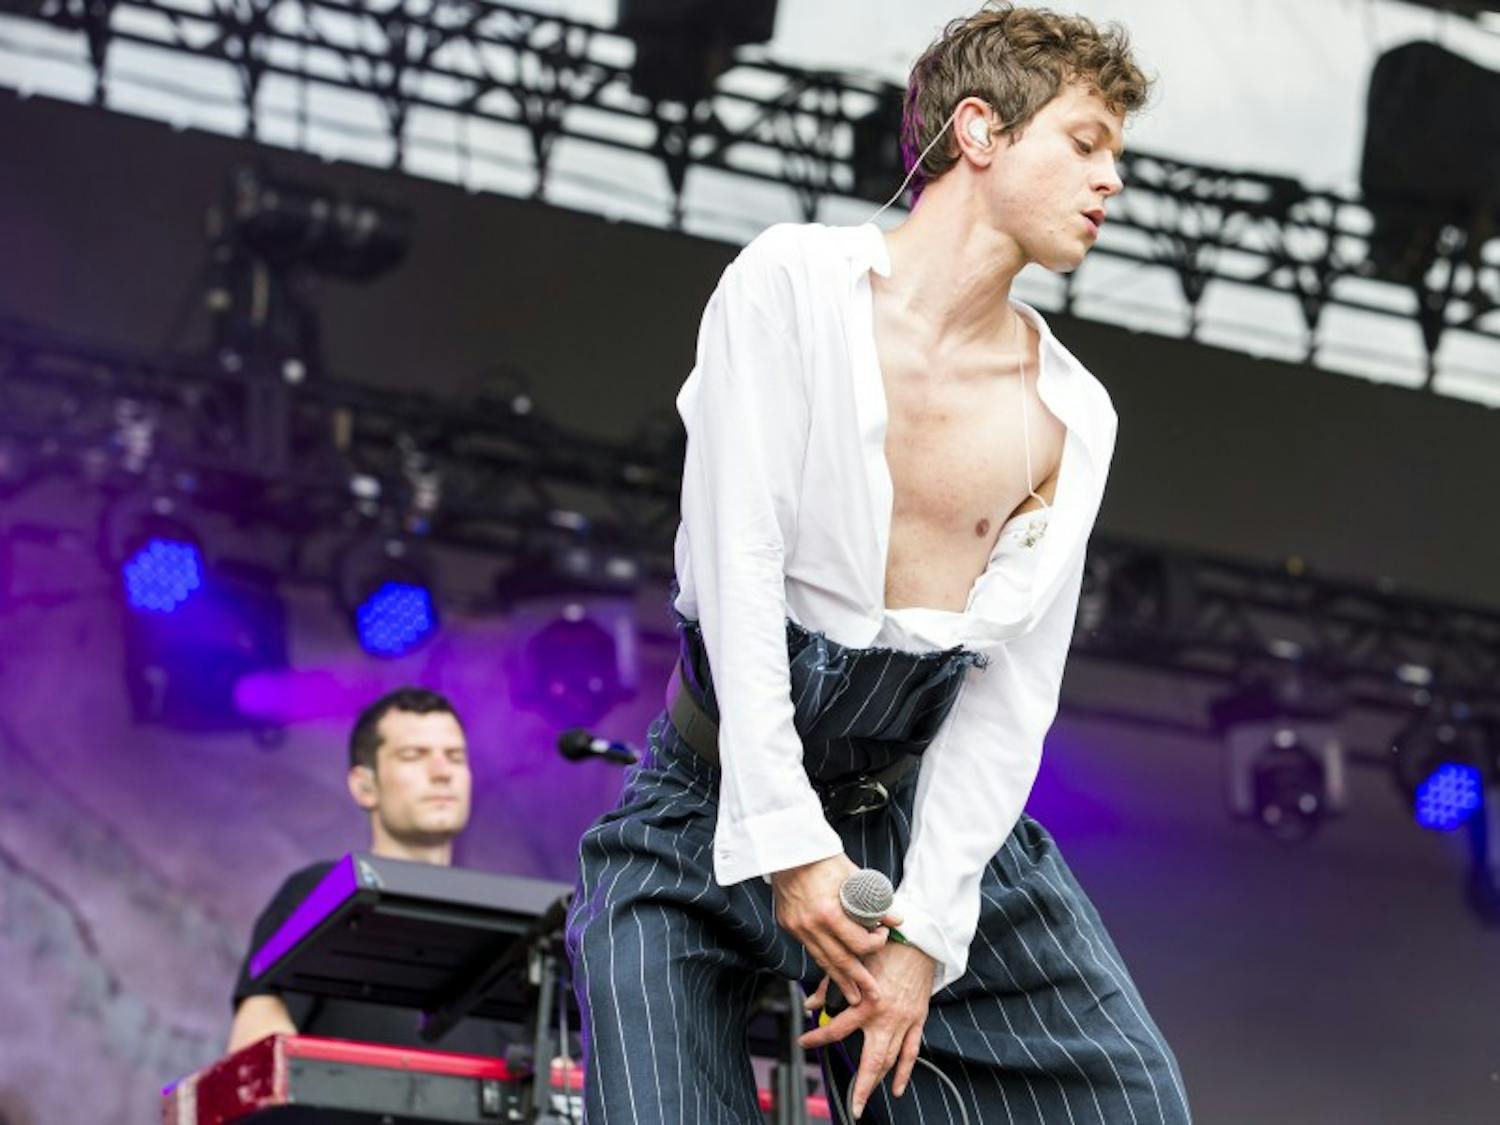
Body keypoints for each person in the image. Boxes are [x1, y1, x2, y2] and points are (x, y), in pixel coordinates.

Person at [566, 4, 1192, 1122]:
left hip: (913, 819)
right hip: (709, 791)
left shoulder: (1073, 412)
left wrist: (929, 931)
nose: (1113, 181)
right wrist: (787, 843)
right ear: (980, 130)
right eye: (1086, 142)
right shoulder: (791, 284)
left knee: (1131, 1100)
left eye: (1117, 155)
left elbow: (1009, 698)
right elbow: (741, 571)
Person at [227, 686, 503, 1056]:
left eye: (455, 757)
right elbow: (257, 1051)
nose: (442, 773)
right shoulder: (321, 893)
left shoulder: (511, 924)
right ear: (364, 787)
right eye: (413, 755)